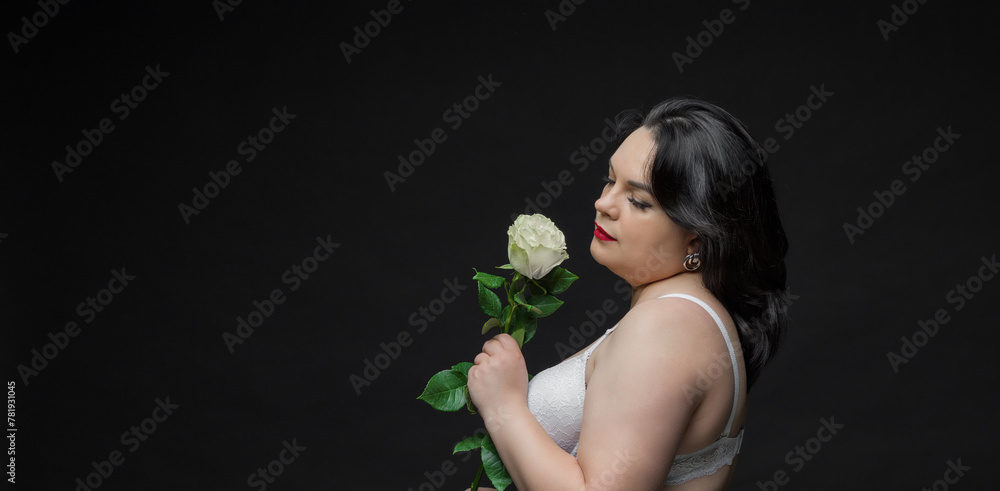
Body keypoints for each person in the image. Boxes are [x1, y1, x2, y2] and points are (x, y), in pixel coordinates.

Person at [466, 97, 790, 490]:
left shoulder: (666, 328)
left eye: (637, 200)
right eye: (609, 180)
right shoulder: (694, 318)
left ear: (696, 239)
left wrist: (505, 406)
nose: (603, 204)